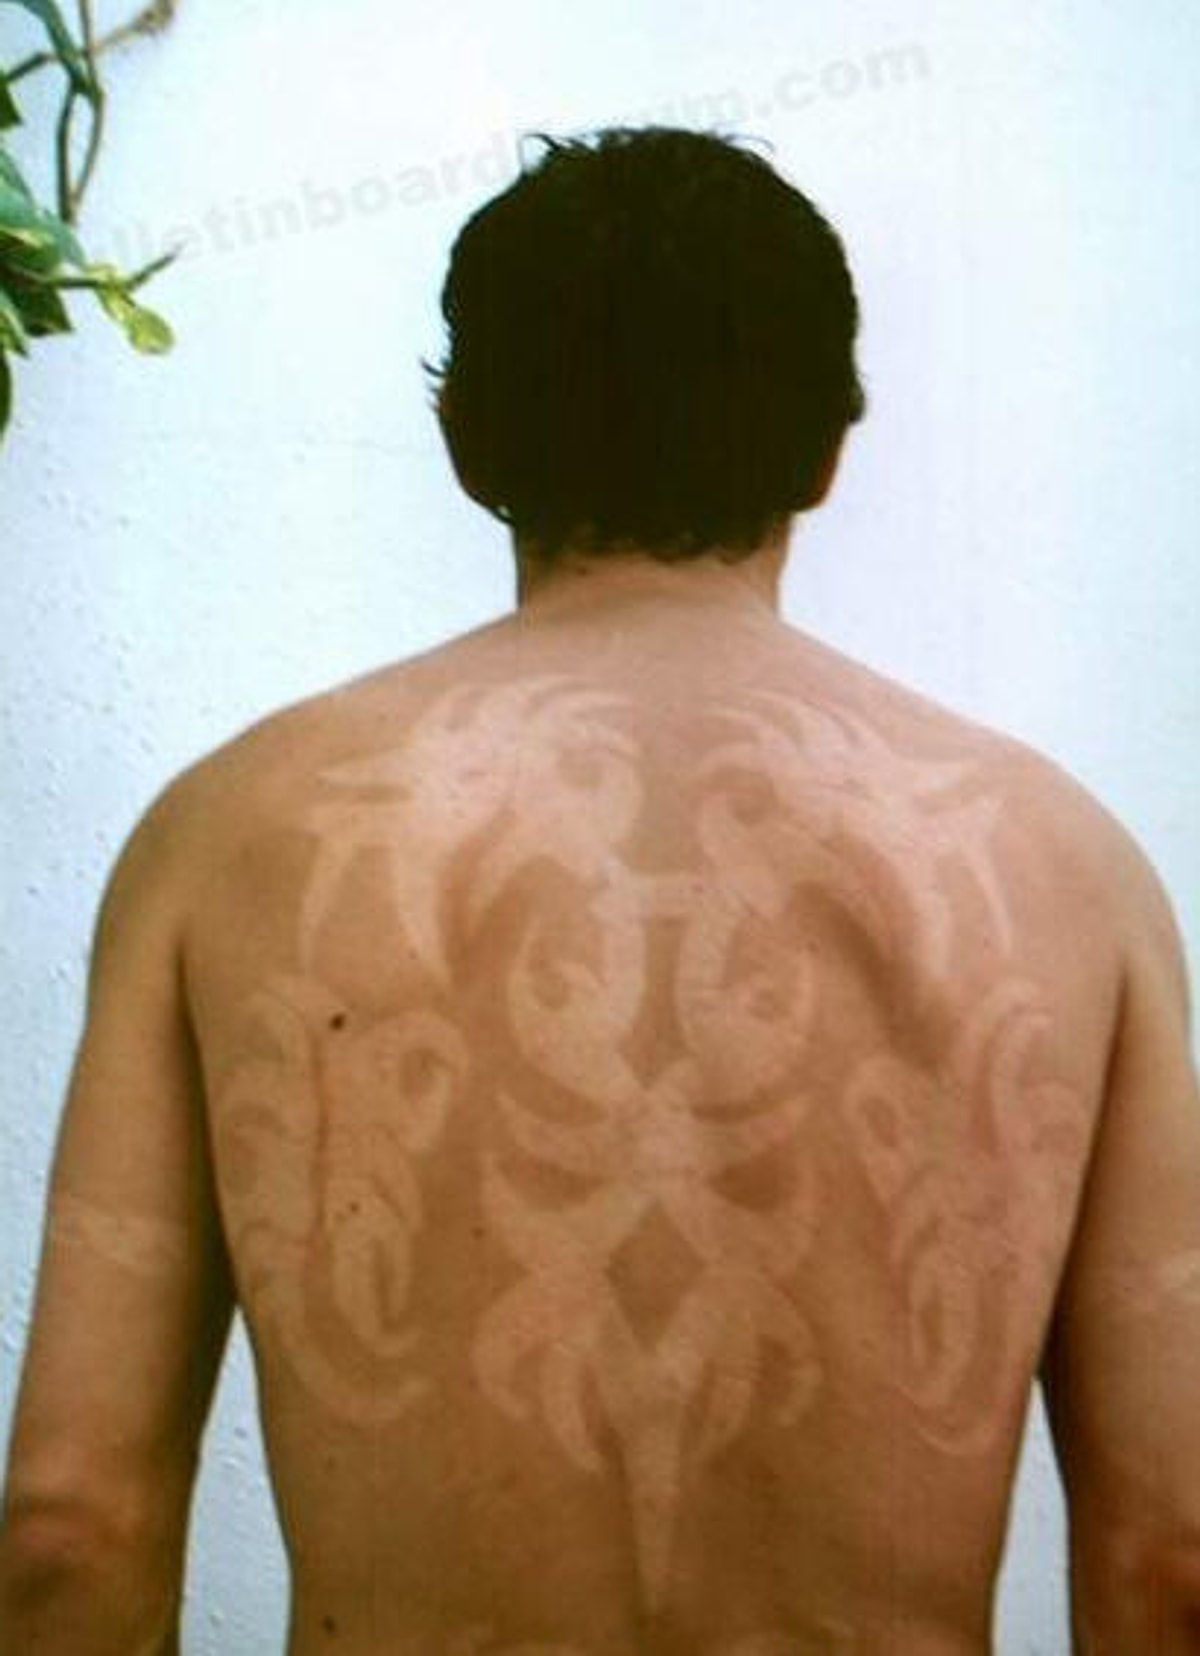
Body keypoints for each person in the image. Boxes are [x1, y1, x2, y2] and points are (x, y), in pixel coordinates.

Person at [1, 124, 1197, 1656]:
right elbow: (1172, 1555)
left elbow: (72, 1531)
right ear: (828, 450)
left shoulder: (227, 837)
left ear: (465, 439)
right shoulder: (1061, 869)